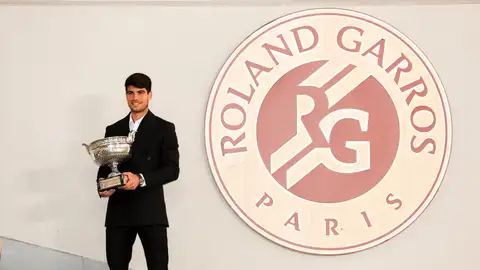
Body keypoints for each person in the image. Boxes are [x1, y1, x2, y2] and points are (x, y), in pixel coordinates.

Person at [96, 73, 180, 270]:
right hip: (119, 213)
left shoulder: (164, 128)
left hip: (151, 212)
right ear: (125, 95)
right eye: (130, 93)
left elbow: (172, 169)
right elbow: (105, 166)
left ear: (150, 95)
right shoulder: (113, 128)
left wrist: (140, 179)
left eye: (140, 92)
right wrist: (102, 185)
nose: (135, 98)